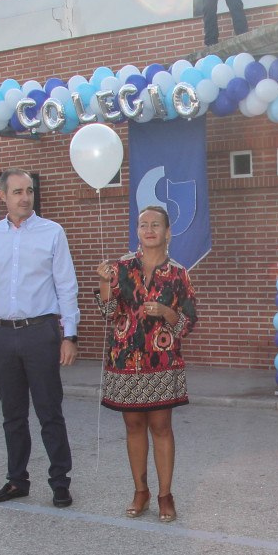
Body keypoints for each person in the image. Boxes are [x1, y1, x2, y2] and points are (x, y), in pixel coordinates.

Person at [0, 168, 79, 509]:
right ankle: (16, 480)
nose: (25, 197)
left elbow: (66, 285)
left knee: (49, 411)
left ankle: (59, 482)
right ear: (3, 197)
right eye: (18, 192)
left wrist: (70, 335)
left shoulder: (52, 232)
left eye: (29, 191)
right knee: (12, 414)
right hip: (2, 335)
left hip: (41, 332)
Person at [95, 205, 199, 522]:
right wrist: (103, 283)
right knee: (133, 426)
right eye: (143, 225)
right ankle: (141, 492)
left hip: (162, 362)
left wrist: (168, 314)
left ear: (168, 233)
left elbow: (189, 324)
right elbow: (108, 314)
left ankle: (165, 495)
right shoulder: (121, 268)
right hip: (125, 361)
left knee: (161, 427)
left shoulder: (180, 274)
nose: (149, 229)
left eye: (156, 225)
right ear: (137, 232)